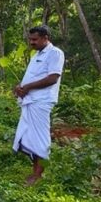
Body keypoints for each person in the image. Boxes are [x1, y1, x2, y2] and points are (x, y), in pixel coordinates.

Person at [13, 25, 65, 185]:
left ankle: (38, 175)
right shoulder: (36, 55)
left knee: (40, 140)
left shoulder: (55, 53)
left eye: (34, 39)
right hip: (30, 101)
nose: (31, 42)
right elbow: (32, 77)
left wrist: (27, 87)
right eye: (30, 39)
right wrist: (20, 87)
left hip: (41, 102)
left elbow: (52, 78)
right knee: (28, 138)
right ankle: (35, 171)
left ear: (45, 37)